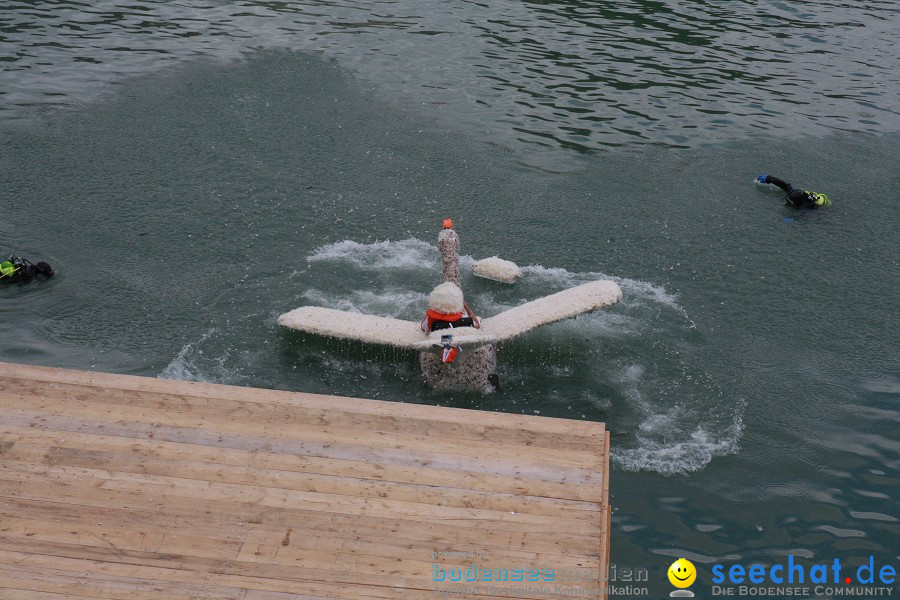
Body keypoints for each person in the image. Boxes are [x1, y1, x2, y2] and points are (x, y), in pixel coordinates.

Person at [756, 174, 831, 208]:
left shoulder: (807, 208)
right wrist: (769, 178)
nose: (787, 203)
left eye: (789, 202)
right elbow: (784, 185)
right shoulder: (793, 192)